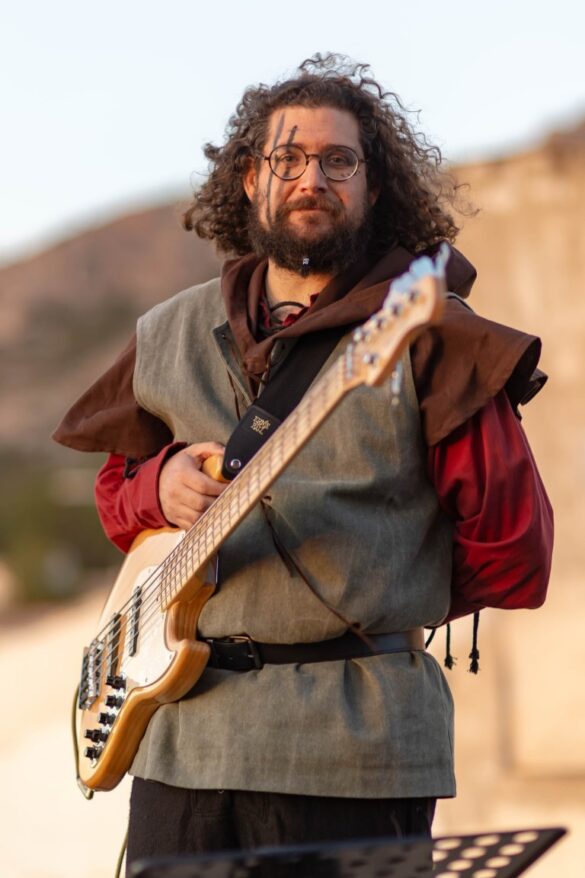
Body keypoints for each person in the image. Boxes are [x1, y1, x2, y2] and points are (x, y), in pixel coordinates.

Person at [54, 54, 553, 869]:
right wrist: (158, 486)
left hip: (354, 747)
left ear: (374, 186)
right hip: (180, 736)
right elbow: (115, 495)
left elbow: (513, 552)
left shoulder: (431, 334)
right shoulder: (168, 332)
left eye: (337, 160)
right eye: (287, 159)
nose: (310, 179)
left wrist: (382, 590)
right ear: (250, 179)